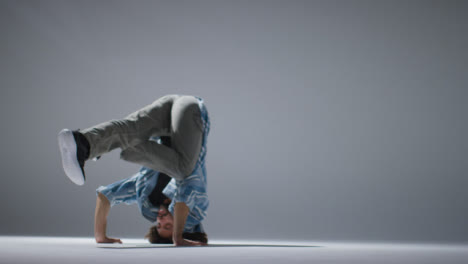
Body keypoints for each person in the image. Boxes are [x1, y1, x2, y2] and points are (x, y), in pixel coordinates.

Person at [57, 95, 210, 246]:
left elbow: (106, 195)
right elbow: (186, 192)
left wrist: (100, 236)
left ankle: (83, 142)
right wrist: (178, 237)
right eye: (168, 225)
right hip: (188, 109)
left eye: (158, 225)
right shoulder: (195, 208)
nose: (160, 220)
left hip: (165, 114)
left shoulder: (146, 195)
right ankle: (120, 145)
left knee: (131, 128)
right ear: (185, 227)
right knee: (184, 172)